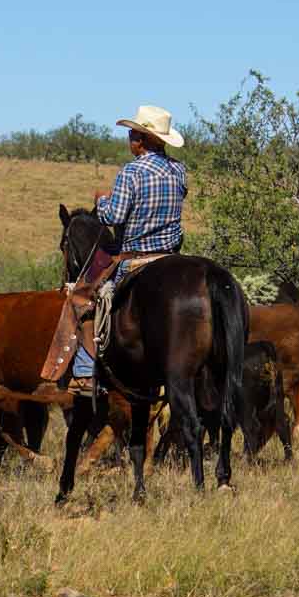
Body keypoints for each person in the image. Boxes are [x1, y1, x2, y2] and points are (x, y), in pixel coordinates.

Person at [63, 104, 188, 394]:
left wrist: (102, 200)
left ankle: (85, 371)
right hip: (170, 256)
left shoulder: (131, 172)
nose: (130, 138)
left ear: (141, 141)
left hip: (135, 257)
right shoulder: (179, 170)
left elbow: (113, 217)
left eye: (132, 134)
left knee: (82, 296)